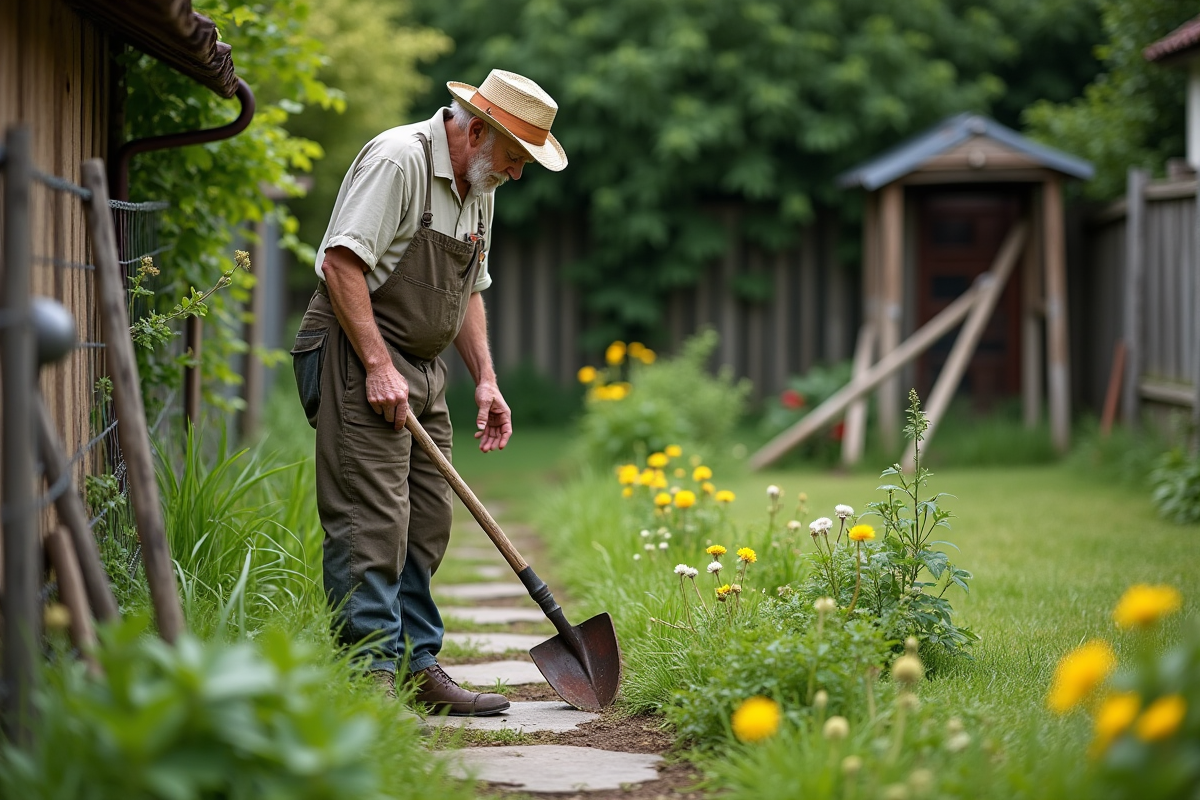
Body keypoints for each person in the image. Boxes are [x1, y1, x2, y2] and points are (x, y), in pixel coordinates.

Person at [290, 70, 567, 715]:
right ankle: (371, 676)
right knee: (373, 518)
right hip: (355, 352)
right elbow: (341, 263)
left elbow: (468, 288)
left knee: (428, 518)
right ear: (476, 131)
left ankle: (417, 664)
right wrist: (379, 366)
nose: (517, 174)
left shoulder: (479, 185)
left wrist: (487, 380)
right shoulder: (399, 161)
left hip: (420, 363)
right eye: (515, 158)